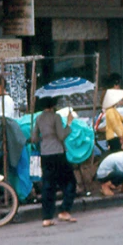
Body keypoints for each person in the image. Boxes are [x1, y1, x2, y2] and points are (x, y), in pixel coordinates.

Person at [31, 97, 77, 227]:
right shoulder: (56, 117)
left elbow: (34, 138)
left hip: (45, 154)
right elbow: (61, 135)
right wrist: (68, 124)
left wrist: (45, 138)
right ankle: (65, 210)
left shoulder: (39, 118)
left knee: (48, 185)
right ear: (53, 105)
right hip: (57, 153)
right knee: (70, 181)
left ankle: (47, 217)